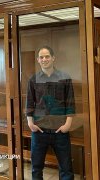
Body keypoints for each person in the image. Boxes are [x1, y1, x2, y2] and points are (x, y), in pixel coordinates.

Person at [26, 46, 75, 180]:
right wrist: (30, 123)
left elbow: (70, 103)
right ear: (38, 60)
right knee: (36, 168)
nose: (44, 59)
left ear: (53, 58)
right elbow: (30, 103)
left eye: (47, 56)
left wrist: (67, 125)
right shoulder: (33, 79)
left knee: (66, 169)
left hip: (60, 130)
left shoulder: (64, 77)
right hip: (39, 130)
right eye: (41, 57)